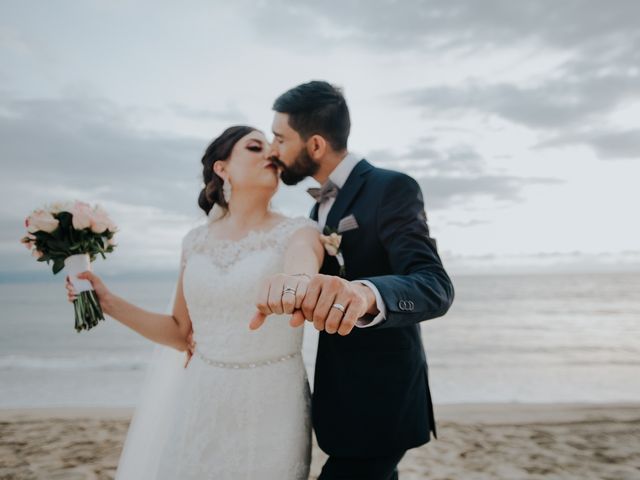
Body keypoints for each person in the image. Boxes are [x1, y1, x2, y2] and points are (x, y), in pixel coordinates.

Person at [65, 126, 323, 479]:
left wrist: (298, 283)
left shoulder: (299, 231)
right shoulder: (194, 241)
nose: (271, 156)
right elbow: (178, 331)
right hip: (200, 398)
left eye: (273, 150)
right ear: (222, 168)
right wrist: (107, 302)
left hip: (271, 401)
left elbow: (303, 265)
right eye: (254, 147)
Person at [251, 80, 455, 480]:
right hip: (341, 400)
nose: (274, 149)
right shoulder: (316, 214)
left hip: (384, 400)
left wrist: (367, 294)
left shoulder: (390, 188)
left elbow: (434, 285)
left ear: (315, 146)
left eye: (279, 137)